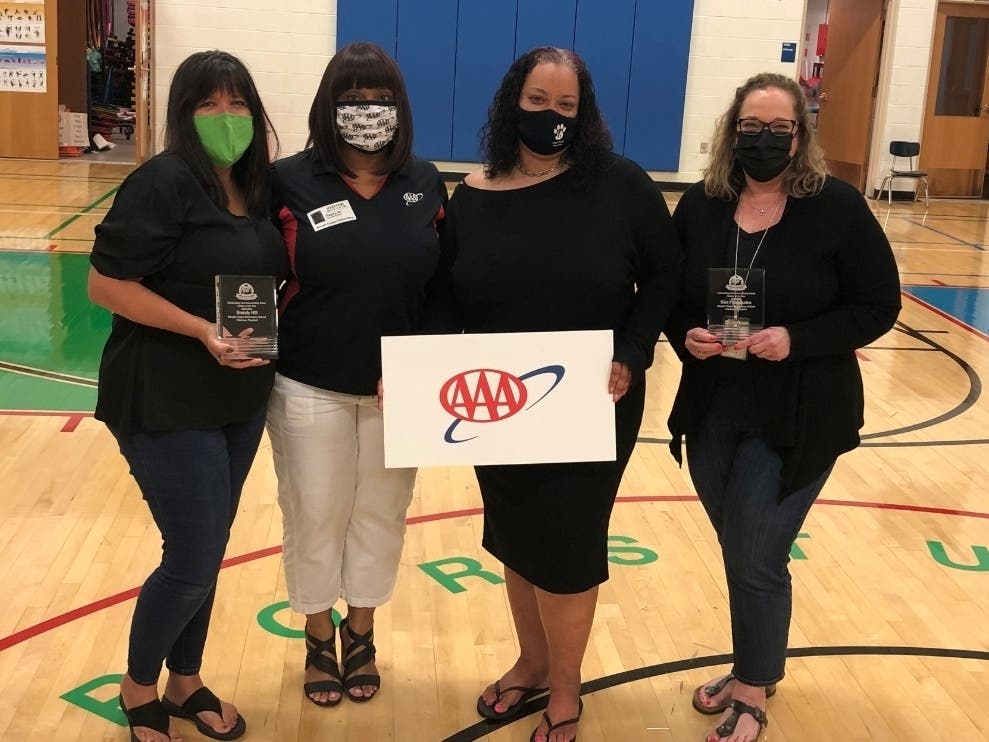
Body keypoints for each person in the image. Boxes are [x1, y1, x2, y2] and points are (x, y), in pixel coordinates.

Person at [427, 46, 682, 742]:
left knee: (567, 543)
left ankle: (565, 690)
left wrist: (633, 350)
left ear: (584, 111)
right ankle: (532, 663)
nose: (551, 115)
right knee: (515, 534)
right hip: (498, 399)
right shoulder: (473, 195)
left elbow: (664, 274)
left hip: (593, 398)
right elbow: (446, 295)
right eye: (537, 101)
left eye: (565, 104)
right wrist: (431, 368)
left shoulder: (621, 185)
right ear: (513, 103)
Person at [665, 72, 901, 742]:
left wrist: (796, 339)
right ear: (730, 130)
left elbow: (878, 306)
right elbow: (670, 295)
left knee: (755, 553)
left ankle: (752, 686)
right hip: (714, 407)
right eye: (750, 127)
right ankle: (755, 663)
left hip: (801, 415)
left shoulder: (836, 207)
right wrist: (685, 334)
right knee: (744, 550)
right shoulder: (702, 205)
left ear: (799, 137)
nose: (763, 139)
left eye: (778, 128)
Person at [88, 51, 287, 742]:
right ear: (184, 114)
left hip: (239, 396)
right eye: (209, 105)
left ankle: (185, 680)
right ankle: (139, 687)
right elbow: (105, 285)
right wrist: (201, 329)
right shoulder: (164, 180)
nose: (226, 117)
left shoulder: (256, 188)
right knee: (193, 555)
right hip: (165, 396)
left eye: (238, 104)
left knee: (210, 548)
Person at [265, 41, 447, 708]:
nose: (367, 111)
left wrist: (422, 364)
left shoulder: (425, 182)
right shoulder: (287, 181)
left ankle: (361, 631)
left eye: (380, 99)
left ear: (399, 108)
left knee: (381, 515)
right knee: (314, 513)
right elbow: (251, 275)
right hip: (307, 383)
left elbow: (443, 290)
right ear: (328, 106)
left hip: (400, 393)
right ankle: (318, 634)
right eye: (352, 99)